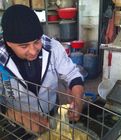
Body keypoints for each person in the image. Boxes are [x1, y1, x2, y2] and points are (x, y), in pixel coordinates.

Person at [0, 4, 84, 133]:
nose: (33, 51)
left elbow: (73, 74)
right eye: (24, 46)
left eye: (36, 42)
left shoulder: (52, 47)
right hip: (17, 124)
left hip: (50, 116)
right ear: (9, 43)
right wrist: (17, 115)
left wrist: (78, 99)